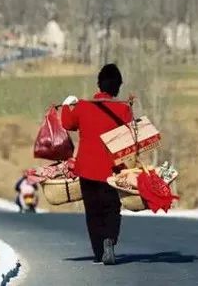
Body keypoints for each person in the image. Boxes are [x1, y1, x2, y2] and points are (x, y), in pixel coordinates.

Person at [60, 63, 132, 265]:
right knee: (111, 207)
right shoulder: (123, 109)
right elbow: (130, 135)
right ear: (117, 87)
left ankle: (99, 251)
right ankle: (110, 240)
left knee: (92, 210)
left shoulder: (83, 106)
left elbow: (67, 124)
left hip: (87, 168)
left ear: (99, 84)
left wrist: (67, 105)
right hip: (112, 169)